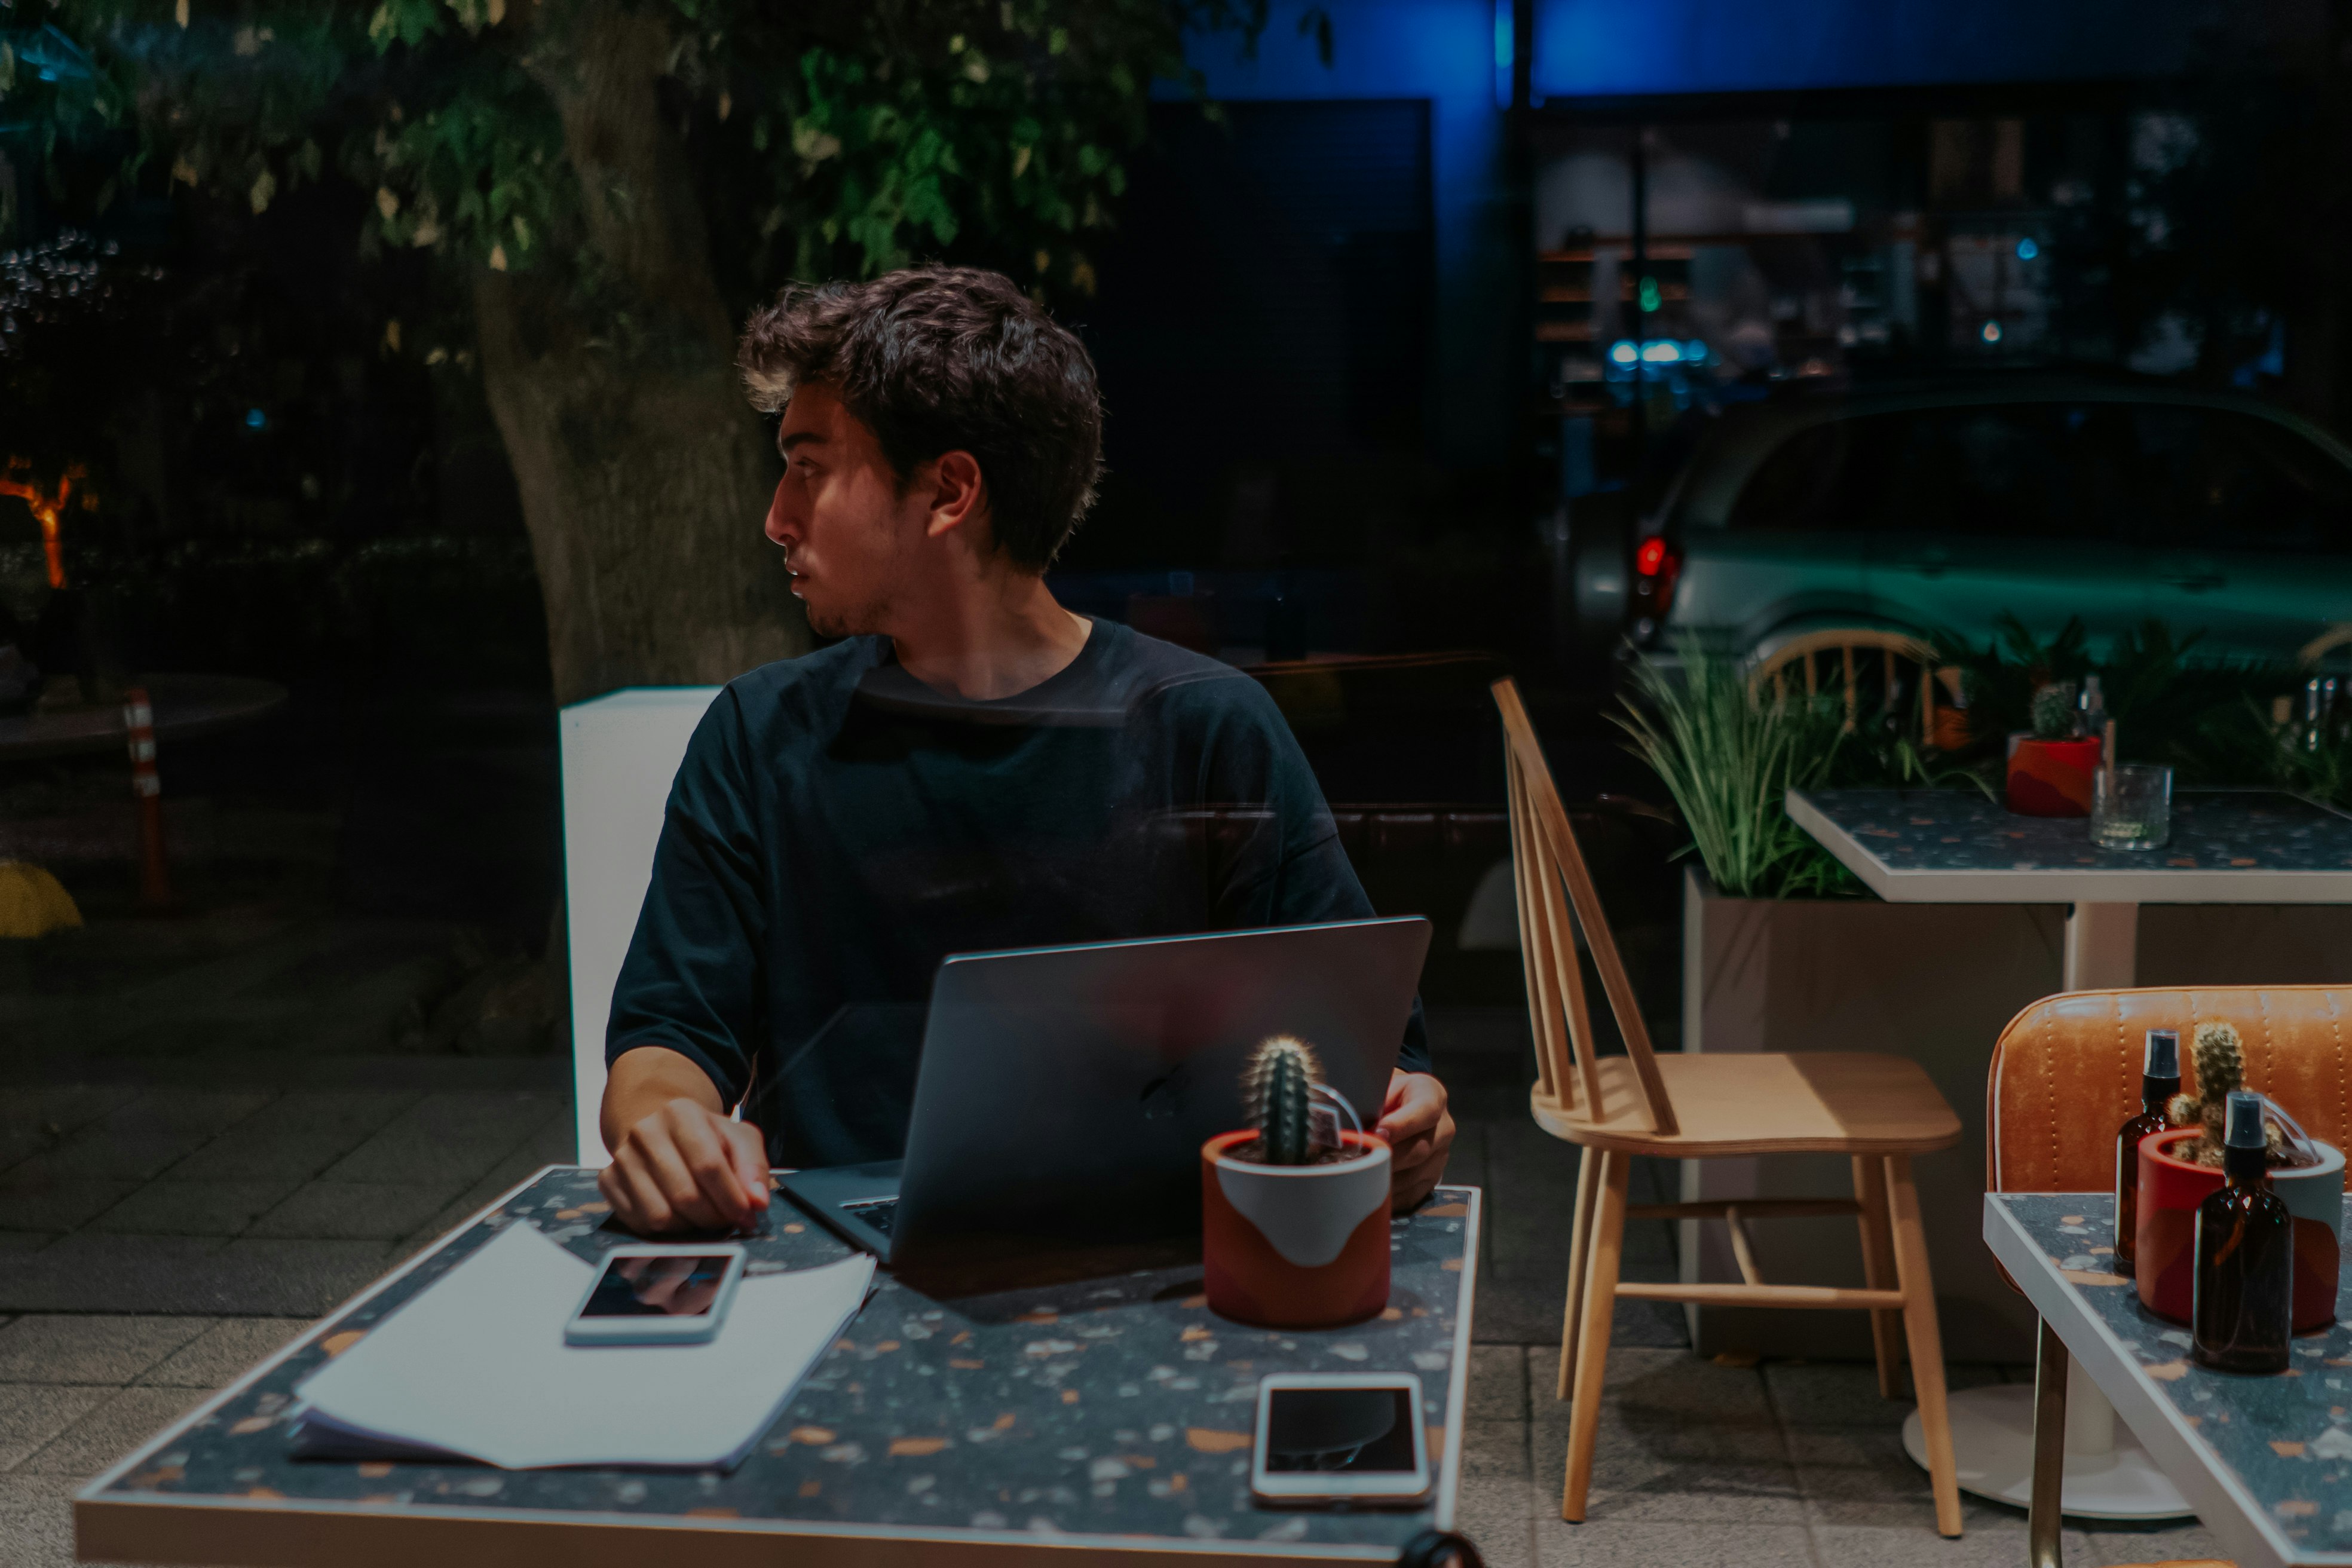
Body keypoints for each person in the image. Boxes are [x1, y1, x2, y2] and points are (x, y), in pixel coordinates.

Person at [596, 267, 1454, 1236]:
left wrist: (1407, 1123)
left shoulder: (1209, 726)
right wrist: (666, 1126)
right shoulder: (760, 734)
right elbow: (667, 1041)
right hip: (828, 1271)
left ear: (949, 492)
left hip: (1160, 1275)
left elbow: (1371, 1063)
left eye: (810, 466)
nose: (776, 518)